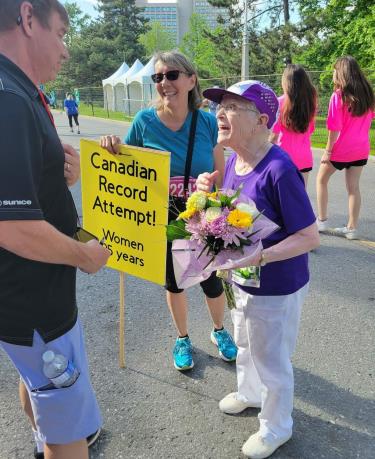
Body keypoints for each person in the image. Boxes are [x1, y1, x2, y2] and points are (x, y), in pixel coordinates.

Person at [0, 2, 110, 459]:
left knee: (40, 388)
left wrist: (58, 174)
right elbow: (10, 225)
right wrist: (84, 255)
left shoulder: (18, 92)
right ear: (28, 19)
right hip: (36, 305)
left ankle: (44, 435)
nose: (66, 51)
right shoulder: (8, 98)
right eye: (62, 33)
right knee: (69, 435)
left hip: (28, 306)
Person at [196, 80, 319, 459]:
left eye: (232, 107)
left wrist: (261, 257)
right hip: (243, 279)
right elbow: (238, 211)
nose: (220, 113)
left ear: (261, 120)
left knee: (272, 358)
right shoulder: (235, 160)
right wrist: (208, 193)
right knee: (245, 342)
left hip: (276, 285)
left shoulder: (280, 169)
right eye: (221, 106)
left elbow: (310, 236)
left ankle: (276, 426)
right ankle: (249, 393)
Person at [100, 51, 237, 371]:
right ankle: (182, 338)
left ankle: (219, 331)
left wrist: (222, 217)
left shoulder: (206, 121)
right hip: (163, 219)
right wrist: (112, 147)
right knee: (174, 284)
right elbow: (124, 167)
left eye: (172, 75)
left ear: (191, 80)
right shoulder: (144, 122)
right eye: (158, 77)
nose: (164, 83)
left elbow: (221, 177)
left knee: (212, 283)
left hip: (203, 218)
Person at [316, 56, 375, 240]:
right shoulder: (368, 95)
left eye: (334, 70)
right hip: (362, 148)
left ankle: (322, 220)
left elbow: (334, 128)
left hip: (341, 149)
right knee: (353, 188)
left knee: (321, 180)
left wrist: (327, 151)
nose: (333, 73)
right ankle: (351, 228)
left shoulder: (338, 96)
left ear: (341, 72)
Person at [270, 64, 317, 187]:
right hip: (305, 158)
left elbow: (273, 137)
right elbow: (311, 129)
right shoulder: (311, 103)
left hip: (284, 159)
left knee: (282, 199)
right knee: (300, 197)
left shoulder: (280, 102)